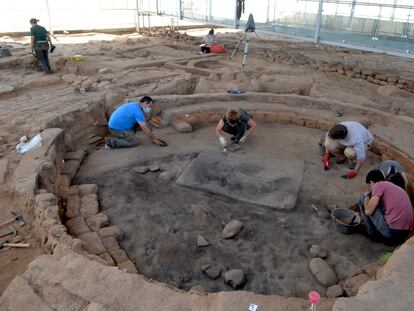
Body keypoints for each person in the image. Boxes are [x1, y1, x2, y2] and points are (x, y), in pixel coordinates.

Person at [358, 169, 413, 245]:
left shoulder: (378, 185)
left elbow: (368, 211)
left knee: (362, 199)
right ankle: (378, 233)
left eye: (369, 186)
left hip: (392, 233)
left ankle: (370, 231)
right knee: (377, 206)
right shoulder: (395, 188)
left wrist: (366, 195)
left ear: (372, 183)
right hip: (403, 235)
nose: (370, 188)